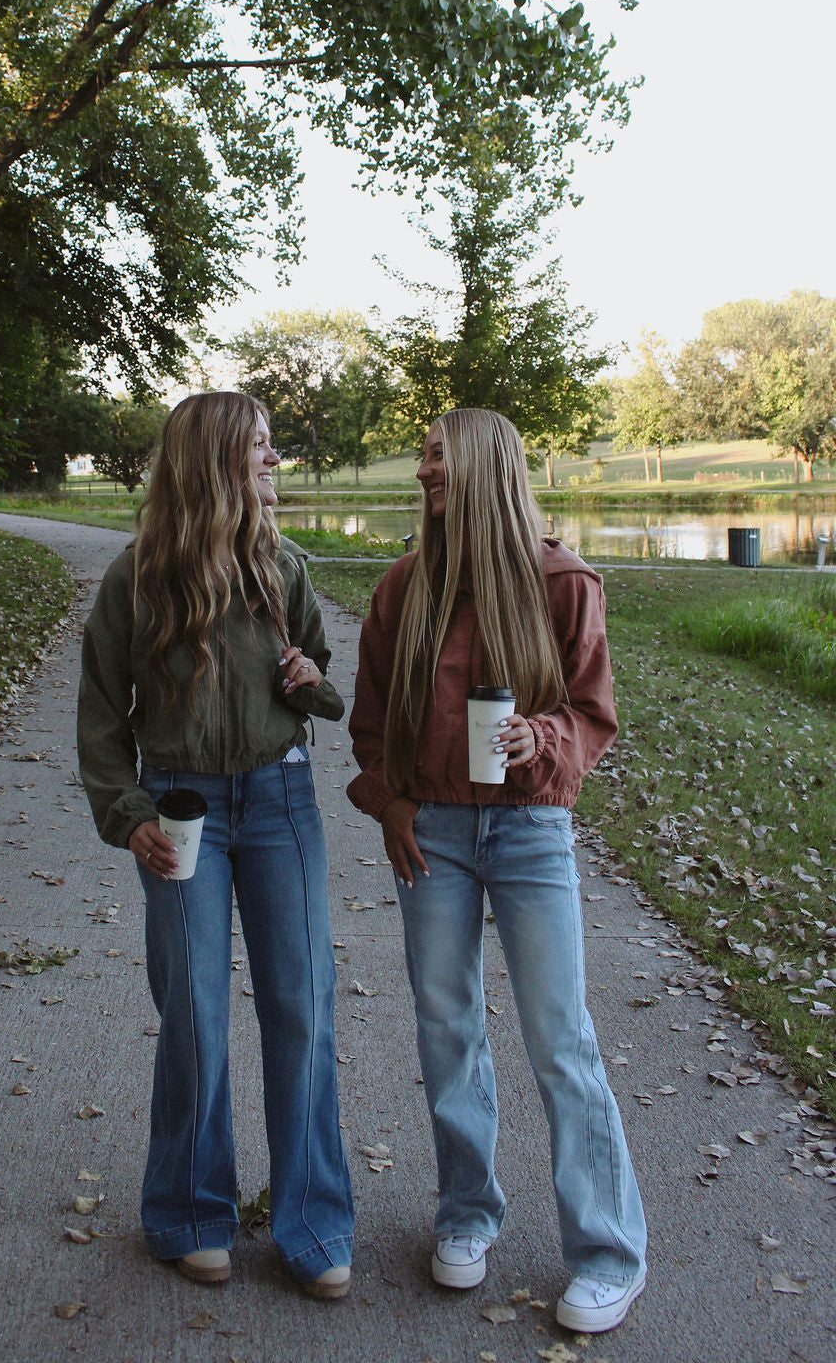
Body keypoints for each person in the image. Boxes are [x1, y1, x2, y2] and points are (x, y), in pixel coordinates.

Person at [347, 408, 647, 1334]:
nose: (425, 470)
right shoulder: (405, 588)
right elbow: (368, 725)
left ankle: (607, 1253)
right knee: (447, 1032)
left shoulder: (561, 582)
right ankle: (467, 1215)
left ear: (482, 468)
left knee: (561, 1041)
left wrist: (539, 737)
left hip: (529, 832)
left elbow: (592, 716)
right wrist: (392, 803)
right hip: (432, 834)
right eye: (425, 457)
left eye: (438, 456)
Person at [77, 391, 354, 1298]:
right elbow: (100, 717)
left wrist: (311, 679)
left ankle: (313, 1221)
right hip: (183, 811)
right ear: (214, 462)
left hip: (281, 803)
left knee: (302, 1007)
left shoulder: (285, 566)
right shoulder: (139, 577)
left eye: (274, 447)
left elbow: (321, 688)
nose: (274, 462)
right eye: (261, 449)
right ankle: (193, 1212)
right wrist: (129, 813)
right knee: (194, 1012)